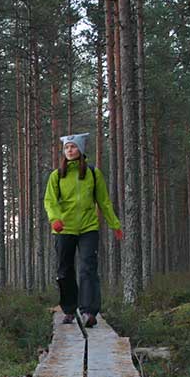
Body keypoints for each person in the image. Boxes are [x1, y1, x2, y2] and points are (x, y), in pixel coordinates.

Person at [43, 133, 123, 328]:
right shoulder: (57, 175)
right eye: (67, 148)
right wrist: (55, 219)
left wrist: (115, 224)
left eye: (73, 147)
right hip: (64, 229)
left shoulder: (93, 174)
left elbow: (103, 201)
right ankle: (69, 309)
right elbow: (50, 201)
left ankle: (88, 311)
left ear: (81, 150)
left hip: (88, 227)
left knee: (88, 268)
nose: (70, 150)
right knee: (65, 270)